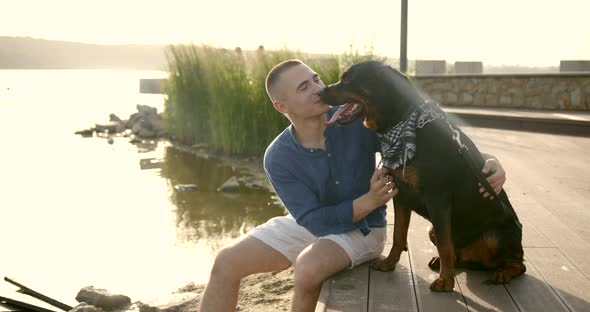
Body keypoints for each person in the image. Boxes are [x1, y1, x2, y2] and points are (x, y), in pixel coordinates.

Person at [198, 59, 507, 312]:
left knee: (306, 268)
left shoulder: (357, 120)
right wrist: (368, 200)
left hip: (364, 229)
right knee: (226, 261)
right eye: (304, 87)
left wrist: (487, 160)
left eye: (316, 79)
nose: (318, 89)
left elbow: (435, 144)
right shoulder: (278, 156)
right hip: (317, 220)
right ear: (281, 106)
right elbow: (312, 220)